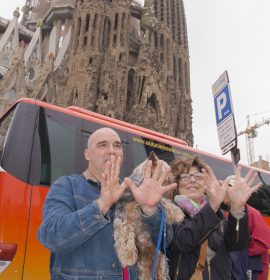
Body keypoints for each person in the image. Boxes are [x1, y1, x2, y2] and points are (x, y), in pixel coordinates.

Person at [37, 127, 177, 280]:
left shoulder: (134, 192)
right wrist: (102, 205)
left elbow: (164, 241)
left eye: (117, 146)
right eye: (102, 145)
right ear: (87, 154)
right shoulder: (67, 186)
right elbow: (52, 237)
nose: (112, 151)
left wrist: (150, 210)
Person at [168, 156, 261, 280]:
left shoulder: (218, 215)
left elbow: (237, 244)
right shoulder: (169, 213)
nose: (192, 180)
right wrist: (212, 206)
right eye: (185, 176)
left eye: (198, 176)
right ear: (176, 185)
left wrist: (237, 208)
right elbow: (184, 241)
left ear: (206, 185)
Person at [230, 204, 270, 280]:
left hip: (253, 269)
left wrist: (237, 254)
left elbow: (264, 241)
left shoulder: (251, 213)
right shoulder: (232, 213)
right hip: (240, 268)